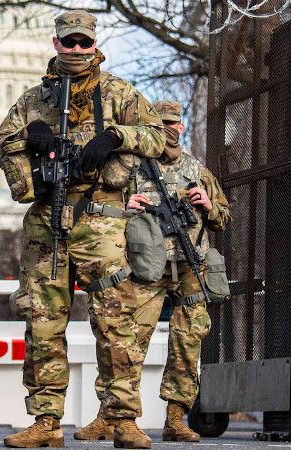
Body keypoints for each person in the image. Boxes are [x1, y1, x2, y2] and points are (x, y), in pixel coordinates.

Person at [0, 10, 166, 448]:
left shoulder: (120, 93)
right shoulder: (34, 99)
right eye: (68, 42)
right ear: (56, 44)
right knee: (42, 322)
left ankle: (122, 419)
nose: (75, 50)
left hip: (100, 219)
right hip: (47, 221)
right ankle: (46, 422)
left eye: (82, 42)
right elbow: (4, 142)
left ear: (94, 43)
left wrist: (113, 138)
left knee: (114, 321)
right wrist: (34, 139)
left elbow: (157, 138)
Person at [76, 100, 231, 443]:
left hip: (191, 267)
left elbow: (223, 216)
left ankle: (176, 418)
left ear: (181, 127)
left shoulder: (198, 171)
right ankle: (110, 416)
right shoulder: (129, 168)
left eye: (173, 124)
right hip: (146, 267)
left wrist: (208, 205)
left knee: (188, 343)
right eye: (160, 124)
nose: (168, 130)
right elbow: (96, 202)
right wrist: (125, 207)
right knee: (126, 343)